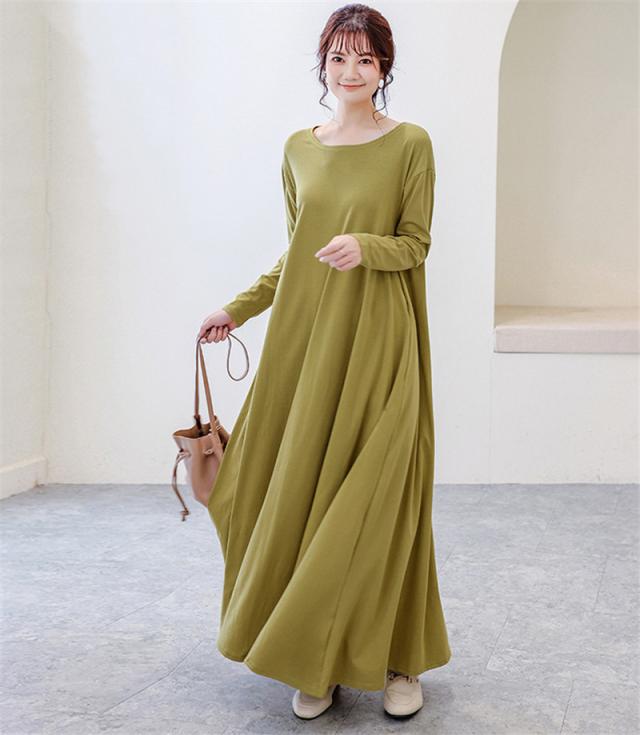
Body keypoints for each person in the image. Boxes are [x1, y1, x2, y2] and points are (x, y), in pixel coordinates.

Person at [197, 3, 451, 721]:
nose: (351, 71)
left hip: (380, 342)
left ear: (384, 68)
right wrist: (238, 308)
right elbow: (297, 252)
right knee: (303, 495)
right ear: (323, 65)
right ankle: (314, 655)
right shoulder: (298, 149)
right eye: (339, 58)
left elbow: (416, 243)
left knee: (382, 500)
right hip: (308, 344)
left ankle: (399, 658)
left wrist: (365, 247)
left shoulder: (411, 144)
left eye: (365, 59)